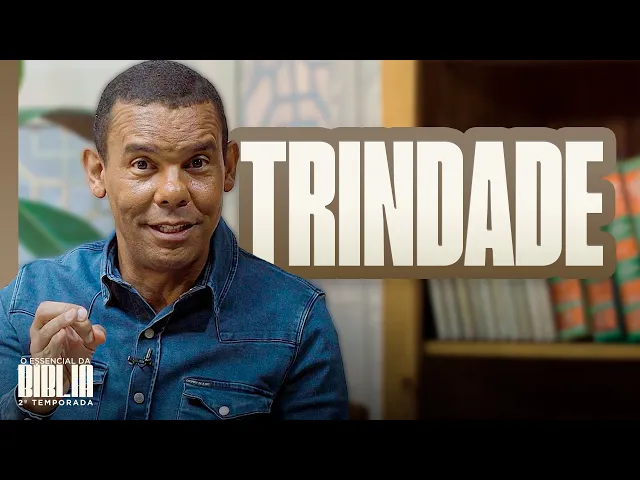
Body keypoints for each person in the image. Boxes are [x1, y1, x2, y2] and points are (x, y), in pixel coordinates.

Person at [0, 60, 349, 420]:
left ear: (228, 168)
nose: (172, 192)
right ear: (98, 173)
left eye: (196, 162)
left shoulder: (296, 319)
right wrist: (38, 393)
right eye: (142, 164)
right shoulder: (30, 299)